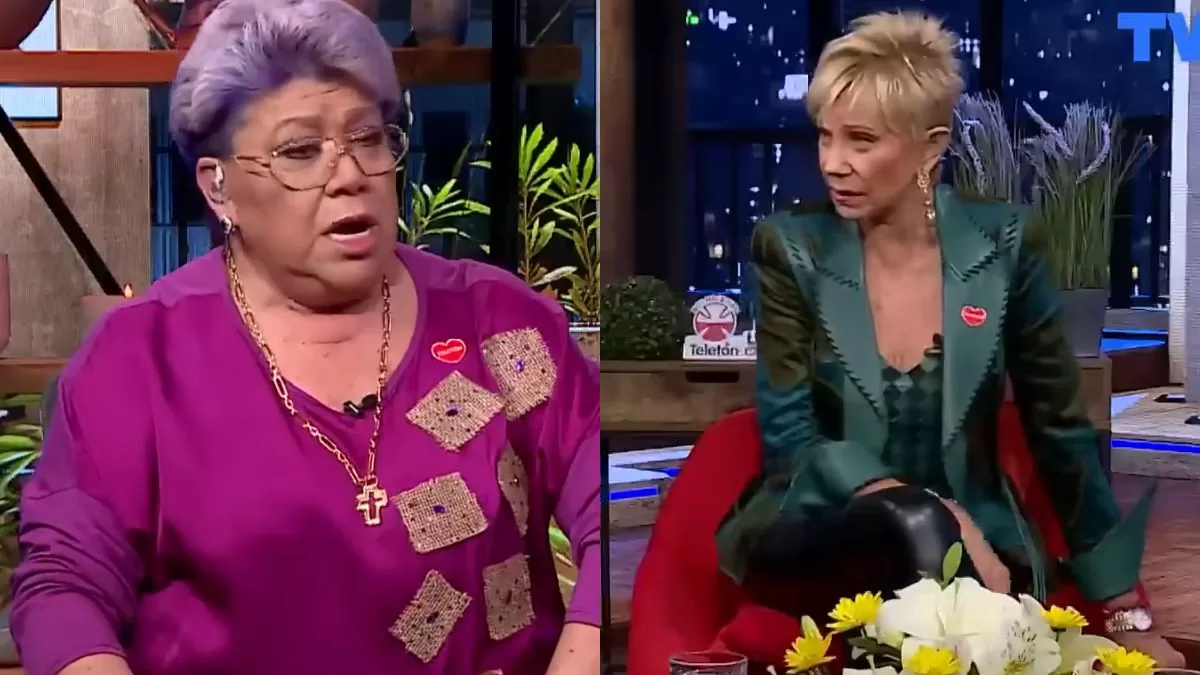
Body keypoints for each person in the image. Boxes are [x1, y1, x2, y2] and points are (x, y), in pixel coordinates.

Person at [9, 1, 600, 674]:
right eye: (300, 151)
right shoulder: (139, 359)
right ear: (220, 188)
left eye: (369, 139)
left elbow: (612, 504)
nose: (350, 175)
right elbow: (65, 586)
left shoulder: (498, 323)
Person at [714, 10, 1183, 668]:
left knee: (952, 568)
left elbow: (1061, 434)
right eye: (825, 136)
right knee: (920, 526)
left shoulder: (1005, 245)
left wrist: (1127, 613)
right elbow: (792, 438)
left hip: (979, 549)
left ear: (931, 146)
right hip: (819, 527)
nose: (832, 163)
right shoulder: (791, 249)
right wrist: (933, 507)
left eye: (860, 140)